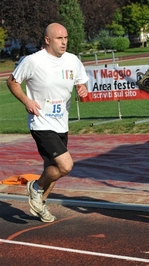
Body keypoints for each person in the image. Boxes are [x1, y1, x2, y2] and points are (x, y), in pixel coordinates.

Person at [7, 23, 89, 223]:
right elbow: (12, 81)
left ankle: (40, 203)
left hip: (62, 123)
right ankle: (35, 187)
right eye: (60, 38)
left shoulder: (72, 60)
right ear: (47, 40)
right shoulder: (33, 61)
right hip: (41, 122)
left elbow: (81, 81)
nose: (64, 42)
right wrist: (27, 101)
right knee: (65, 165)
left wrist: (82, 88)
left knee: (52, 169)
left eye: (66, 38)